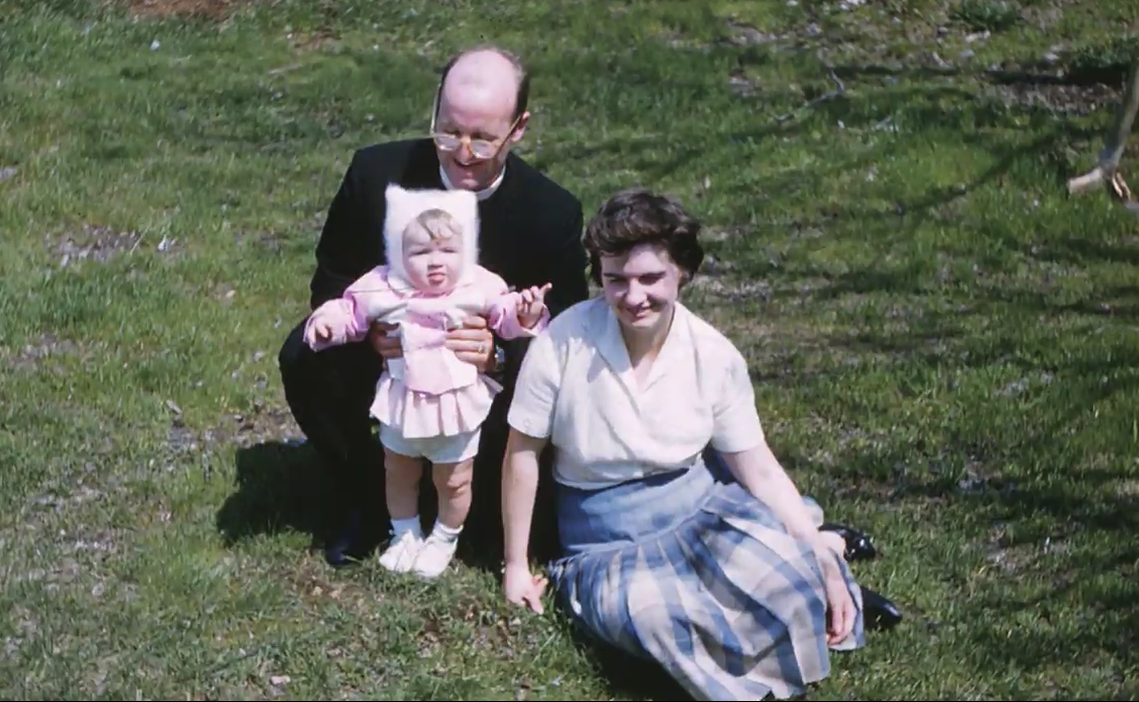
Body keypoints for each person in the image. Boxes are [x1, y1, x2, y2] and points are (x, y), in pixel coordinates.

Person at [500, 189, 898, 701]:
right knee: (662, 621)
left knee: (797, 585)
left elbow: (756, 466)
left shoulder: (712, 352)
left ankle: (829, 546)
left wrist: (817, 556)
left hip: (701, 515)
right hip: (605, 545)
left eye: (650, 278)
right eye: (615, 278)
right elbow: (522, 454)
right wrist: (515, 565)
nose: (632, 295)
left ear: (682, 272)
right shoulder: (562, 342)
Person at [278, 44, 592, 568]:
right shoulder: (376, 173)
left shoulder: (550, 211)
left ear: (519, 129)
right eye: (449, 132)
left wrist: (499, 356)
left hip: (481, 380)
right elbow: (331, 281)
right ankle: (367, 498)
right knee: (304, 355)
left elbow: (568, 332)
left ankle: (478, 504)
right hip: (388, 352)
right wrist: (370, 331)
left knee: (539, 397)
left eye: (484, 138)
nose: (463, 152)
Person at [302, 183, 553, 578]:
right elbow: (349, 310)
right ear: (399, 254)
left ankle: (444, 536)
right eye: (420, 252)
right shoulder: (382, 285)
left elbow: (504, 315)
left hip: (456, 402)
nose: (436, 263)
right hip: (403, 400)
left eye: (448, 251)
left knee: (454, 479)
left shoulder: (479, 285)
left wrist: (524, 312)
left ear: (466, 252)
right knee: (398, 470)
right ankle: (404, 533)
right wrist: (328, 324)